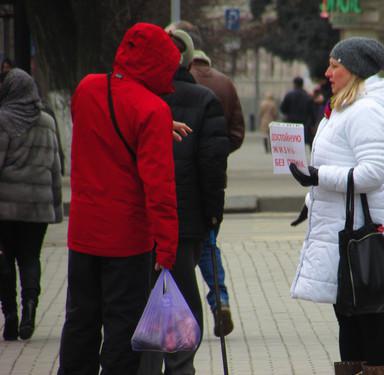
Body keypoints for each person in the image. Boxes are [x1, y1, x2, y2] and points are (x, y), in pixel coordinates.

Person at [57, 23, 180, 375]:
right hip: (127, 242)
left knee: (79, 321)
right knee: (122, 329)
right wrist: (167, 247)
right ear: (158, 64)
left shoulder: (86, 88)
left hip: (82, 235)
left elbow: (99, 131)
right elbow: (160, 188)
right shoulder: (153, 110)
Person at [288, 37, 384, 375]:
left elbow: (372, 173)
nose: (327, 72)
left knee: (368, 310)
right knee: (348, 311)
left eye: (334, 66)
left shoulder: (366, 112)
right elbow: (340, 163)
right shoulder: (342, 108)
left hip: (357, 228)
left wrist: (318, 176)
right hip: (338, 223)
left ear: (353, 70)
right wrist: (311, 198)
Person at [139, 29, 230, 375]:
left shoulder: (137, 95)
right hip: (187, 220)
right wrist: (213, 215)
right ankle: (181, 368)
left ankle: (148, 367)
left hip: (141, 218)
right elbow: (211, 164)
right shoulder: (204, 99)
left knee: (147, 296)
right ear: (189, 60)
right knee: (181, 296)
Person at [167, 20, 245, 337]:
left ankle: (174, 321)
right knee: (208, 246)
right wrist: (217, 151)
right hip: (207, 180)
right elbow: (237, 132)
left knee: (174, 257)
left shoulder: (162, 87)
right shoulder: (224, 83)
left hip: (171, 182)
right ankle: (220, 299)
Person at [0, 68, 63, 341]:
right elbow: (54, 168)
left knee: (5, 258)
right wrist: (56, 208)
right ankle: (30, 308)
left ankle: (10, 314)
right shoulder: (47, 122)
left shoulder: (2, 120)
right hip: (38, 207)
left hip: (6, 207)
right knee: (30, 258)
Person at [280, 76, 315, 148]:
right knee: (302, 144)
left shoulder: (289, 95)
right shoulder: (307, 96)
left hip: (291, 124)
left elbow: (283, 109)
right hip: (303, 125)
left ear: (294, 84)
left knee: (292, 146)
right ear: (302, 84)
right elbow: (311, 112)